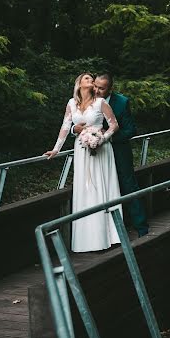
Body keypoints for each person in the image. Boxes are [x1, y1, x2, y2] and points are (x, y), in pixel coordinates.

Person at [44, 72, 123, 252]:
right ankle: (86, 240)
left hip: (100, 150)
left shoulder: (101, 102)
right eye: (87, 79)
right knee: (85, 191)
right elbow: (66, 127)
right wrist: (57, 149)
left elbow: (114, 125)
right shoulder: (72, 103)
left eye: (92, 80)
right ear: (79, 83)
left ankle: (107, 237)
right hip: (81, 150)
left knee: (100, 188)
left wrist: (102, 138)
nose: (91, 82)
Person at [73, 71, 149, 237]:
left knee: (128, 187)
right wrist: (76, 130)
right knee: (98, 191)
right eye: (96, 86)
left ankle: (142, 228)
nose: (97, 90)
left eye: (102, 88)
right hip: (96, 156)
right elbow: (73, 122)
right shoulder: (85, 99)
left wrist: (105, 137)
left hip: (118, 151)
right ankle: (102, 234)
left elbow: (130, 130)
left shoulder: (121, 102)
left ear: (110, 89)